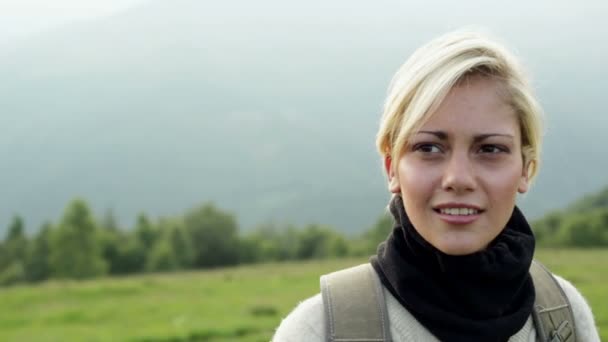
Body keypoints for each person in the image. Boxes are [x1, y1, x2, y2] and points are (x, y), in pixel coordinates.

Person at [272, 30, 600, 341]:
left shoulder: (563, 316)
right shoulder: (319, 331)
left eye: (490, 149)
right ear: (392, 169)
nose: (457, 178)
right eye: (428, 148)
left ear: (526, 169)